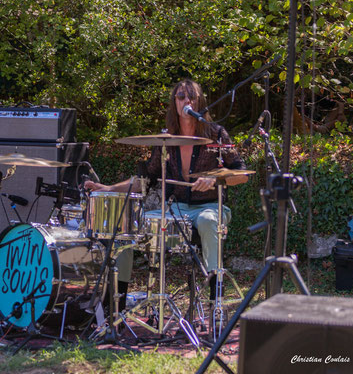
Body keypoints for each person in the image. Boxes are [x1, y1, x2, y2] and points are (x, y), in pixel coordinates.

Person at [84, 79, 247, 308]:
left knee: (208, 220)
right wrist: (108, 189)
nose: (187, 101)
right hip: (175, 209)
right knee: (128, 228)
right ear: (174, 103)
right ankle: (117, 307)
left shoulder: (217, 134)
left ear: (200, 101)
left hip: (210, 207)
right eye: (181, 97)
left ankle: (215, 299)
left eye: (192, 97)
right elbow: (146, 182)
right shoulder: (165, 139)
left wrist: (215, 179)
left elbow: (242, 173)